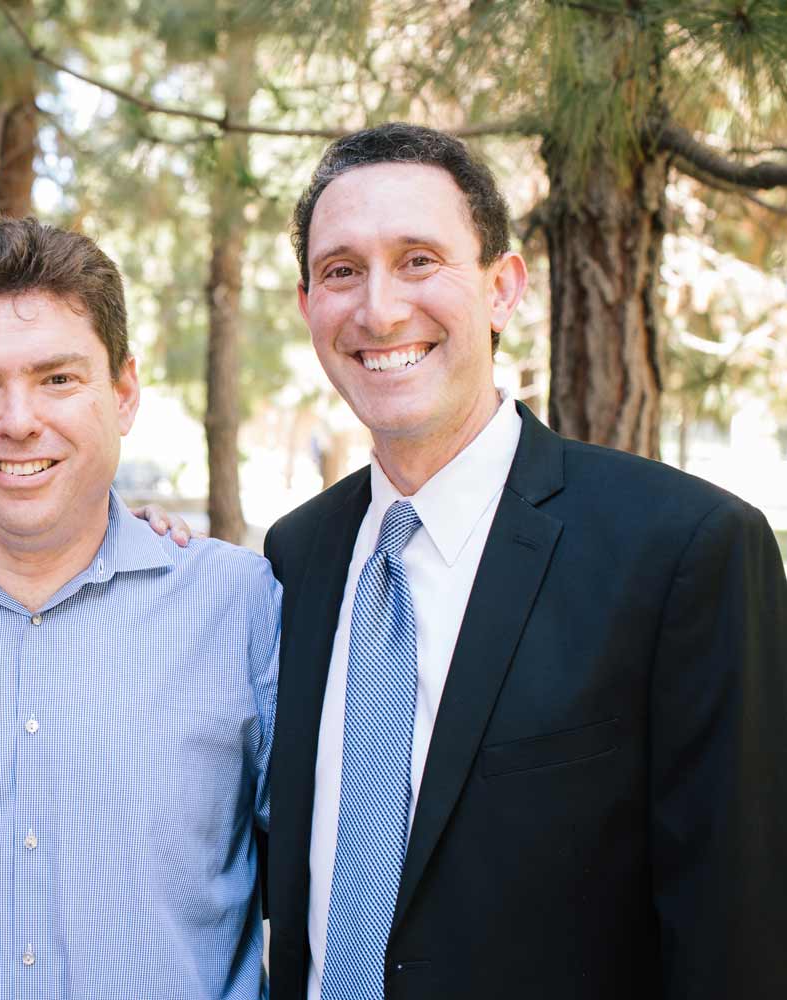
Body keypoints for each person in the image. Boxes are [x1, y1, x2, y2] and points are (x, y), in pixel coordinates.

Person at [263, 121, 787, 1000]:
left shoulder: (686, 552)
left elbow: (739, 939)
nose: (379, 308)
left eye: (420, 259)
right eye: (341, 271)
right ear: (310, 304)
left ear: (503, 289)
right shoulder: (295, 558)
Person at [0, 218, 282, 999]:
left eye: (58, 378)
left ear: (123, 393)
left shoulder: (239, 606)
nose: (19, 419)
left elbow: (329, 893)